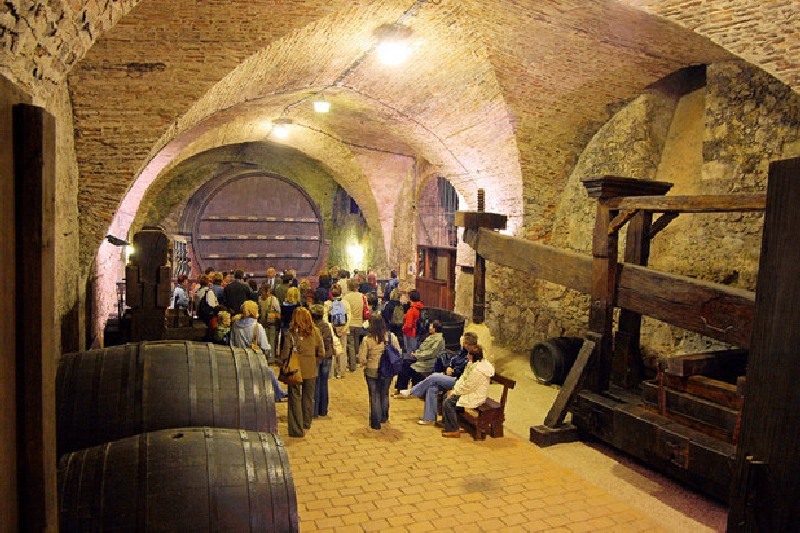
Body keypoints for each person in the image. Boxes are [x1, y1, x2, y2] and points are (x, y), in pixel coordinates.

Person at [400, 332, 477, 425]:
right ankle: (429, 418)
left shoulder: (474, 354)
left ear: (467, 343)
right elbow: (454, 360)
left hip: (459, 381)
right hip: (453, 377)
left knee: (434, 377)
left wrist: (453, 371)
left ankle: (412, 392)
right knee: (432, 387)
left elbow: (465, 370)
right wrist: (449, 367)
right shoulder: (463, 351)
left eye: (464, 341)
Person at [229, 301, 287, 402]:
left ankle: (279, 393)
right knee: (269, 372)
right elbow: (265, 347)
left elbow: (231, 343)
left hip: (239, 361)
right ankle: (278, 394)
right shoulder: (257, 327)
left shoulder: (235, 326)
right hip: (253, 361)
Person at [280, 307, 324, 438]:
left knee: (295, 398)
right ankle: (306, 423)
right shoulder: (315, 332)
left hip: (295, 370)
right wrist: (314, 362)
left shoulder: (291, 333)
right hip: (311, 370)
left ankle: (296, 428)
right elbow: (321, 352)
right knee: (308, 397)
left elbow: (285, 354)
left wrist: (283, 364)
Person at [441, 345, 495, 438]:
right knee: (446, 395)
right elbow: (463, 378)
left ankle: (454, 429)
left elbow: (469, 386)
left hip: (475, 394)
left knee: (448, 402)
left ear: (473, 356)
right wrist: (454, 390)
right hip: (467, 391)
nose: (467, 356)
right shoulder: (471, 364)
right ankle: (448, 423)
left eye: (469, 354)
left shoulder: (479, 370)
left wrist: (455, 392)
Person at [358, 316, 401, 430]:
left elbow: (362, 358)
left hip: (371, 370)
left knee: (374, 395)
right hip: (387, 370)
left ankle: (375, 422)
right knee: (384, 393)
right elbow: (398, 352)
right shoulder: (391, 337)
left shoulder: (367, 339)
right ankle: (384, 417)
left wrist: (367, 362)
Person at [394, 320, 445, 395]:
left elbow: (431, 353)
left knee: (407, 367)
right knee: (405, 363)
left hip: (429, 362)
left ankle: (403, 389)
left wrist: (417, 355)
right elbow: (422, 349)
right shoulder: (431, 337)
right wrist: (416, 353)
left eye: (431, 326)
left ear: (435, 328)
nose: (429, 327)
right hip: (422, 359)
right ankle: (401, 388)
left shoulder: (439, 339)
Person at [310, 304, 334, 418]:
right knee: (324, 383)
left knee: (315, 383)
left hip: (316, 357)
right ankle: (323, 410)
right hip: (327, 356)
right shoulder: (326, 326)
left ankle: (314, 411)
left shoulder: (312, 327)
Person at [324, 285, 351, 379]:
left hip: (332, 329)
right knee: (342, 350)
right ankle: (341, 372)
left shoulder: (327, 304)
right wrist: (344, 330)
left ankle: (331, 373)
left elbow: (325, 318)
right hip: (343, 329)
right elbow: (349, 318)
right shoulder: (345, 303)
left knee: (331, 350)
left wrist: (331, 329)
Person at [343, 279, 366, 372]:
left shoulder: (346, 297)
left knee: (350, 344)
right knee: (356, 342)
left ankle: (352, 365)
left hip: (350, 323)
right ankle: (356, 360)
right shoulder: (362, 296)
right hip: (359, 322)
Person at [257, 283, 281, 362]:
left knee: (263, 340)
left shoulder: (260, 299)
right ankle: (270, 358)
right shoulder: (273, 299)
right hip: (271, 323)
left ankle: (263, 357)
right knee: (271, 341)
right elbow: (278, 310)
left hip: (262, 323)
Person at [401, 290, 424, 357]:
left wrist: (403, 329)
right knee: (417, 351)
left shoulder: (411, 310)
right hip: (419, 332)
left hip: (410, 333)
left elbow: (408, 325)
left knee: (410, 353)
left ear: (410, 298)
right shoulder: (420, 307)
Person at [280, 286, 301, 352]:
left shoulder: (283, 306)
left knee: (285, 346)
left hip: (285, 327)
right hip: (295, 328)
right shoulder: (298, 307)